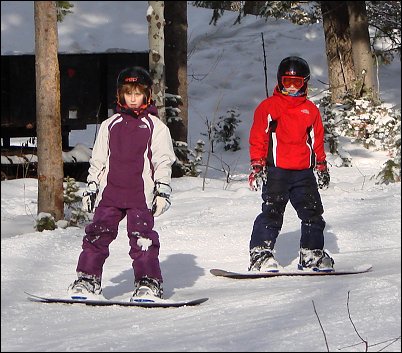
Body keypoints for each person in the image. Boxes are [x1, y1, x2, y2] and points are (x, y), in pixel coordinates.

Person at [68, 66, 176, 301]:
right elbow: (98, 160)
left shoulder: (156, 128)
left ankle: (149, 282)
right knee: (96, 235)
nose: (133, 99)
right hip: (111, 195)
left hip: (140, 196)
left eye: (138, 93)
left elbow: (162, 161)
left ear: (147, 95)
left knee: (142, 239)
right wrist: (92, 186)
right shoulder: (110, 125)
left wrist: (162, 190)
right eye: (129, 93)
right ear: (120, 95)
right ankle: (88, 279)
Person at [247, 56, 334, 273]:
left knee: (313, 213)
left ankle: (312, 253)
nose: (293, 88)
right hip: (277, 171)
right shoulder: (270, 107)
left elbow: (317, 140)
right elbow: (259, 137)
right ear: (280, 81)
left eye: (297, 83)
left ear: (305, 83)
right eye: (287, 82)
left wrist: (321, 164)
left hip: (303, 173)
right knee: (272, 212)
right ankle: (261, 254)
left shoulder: (310, 110)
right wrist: (257, 165)